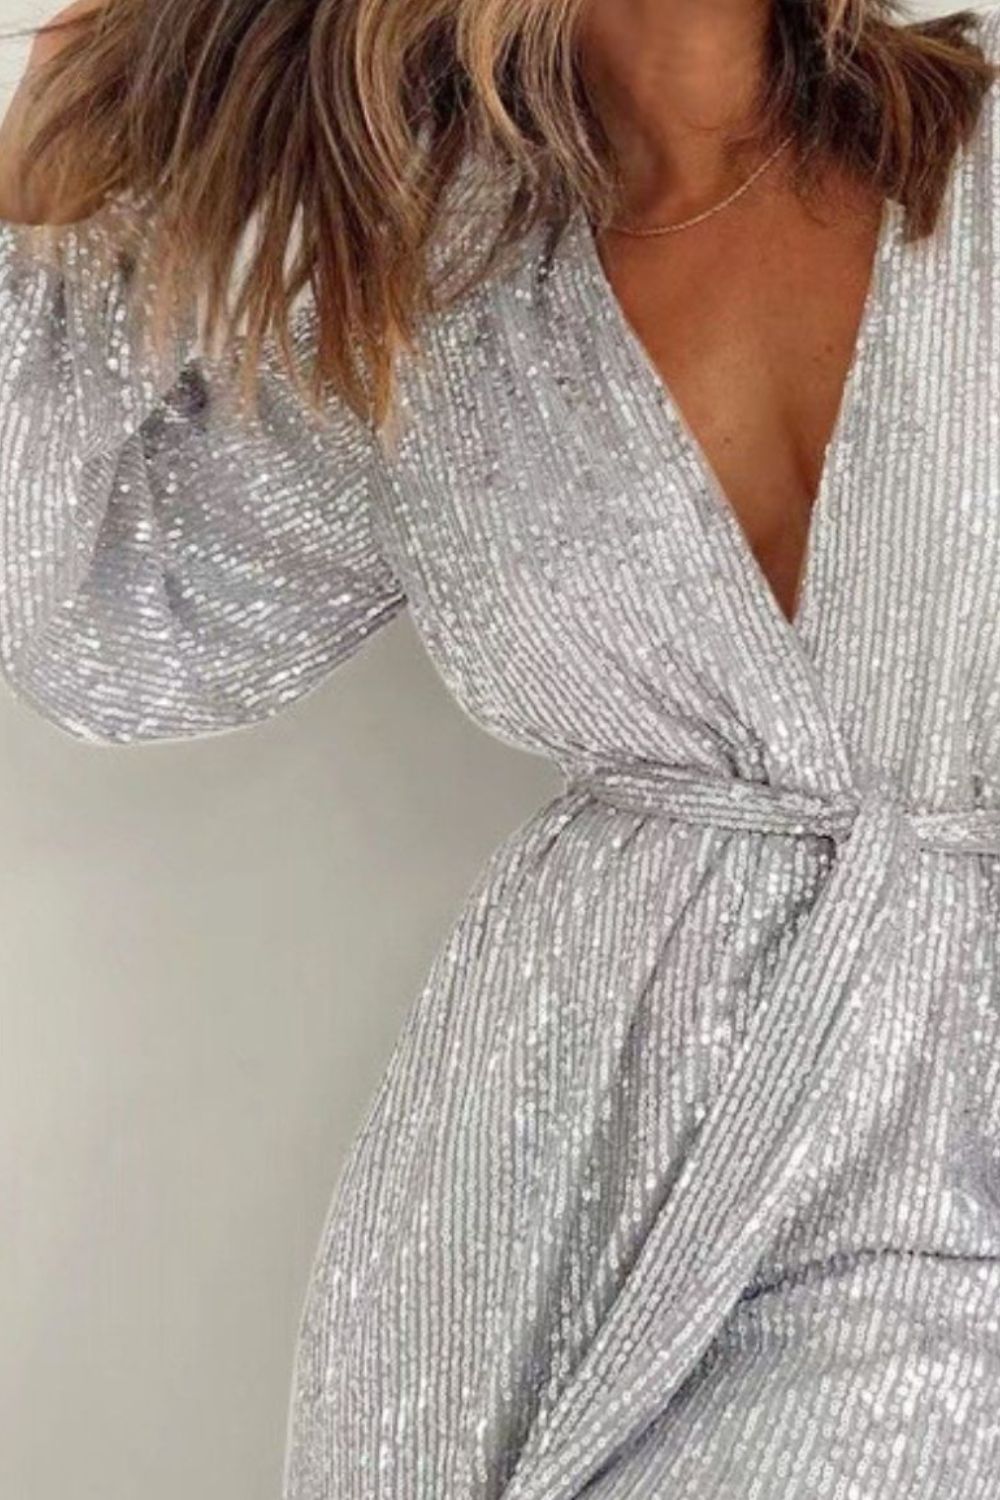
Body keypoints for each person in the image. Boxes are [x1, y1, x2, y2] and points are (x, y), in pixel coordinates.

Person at [2, 0, 1000, 1495]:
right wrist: (47, 197)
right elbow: (108, 636)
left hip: (948, 1151)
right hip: (543, 1184)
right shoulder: (432, 297)